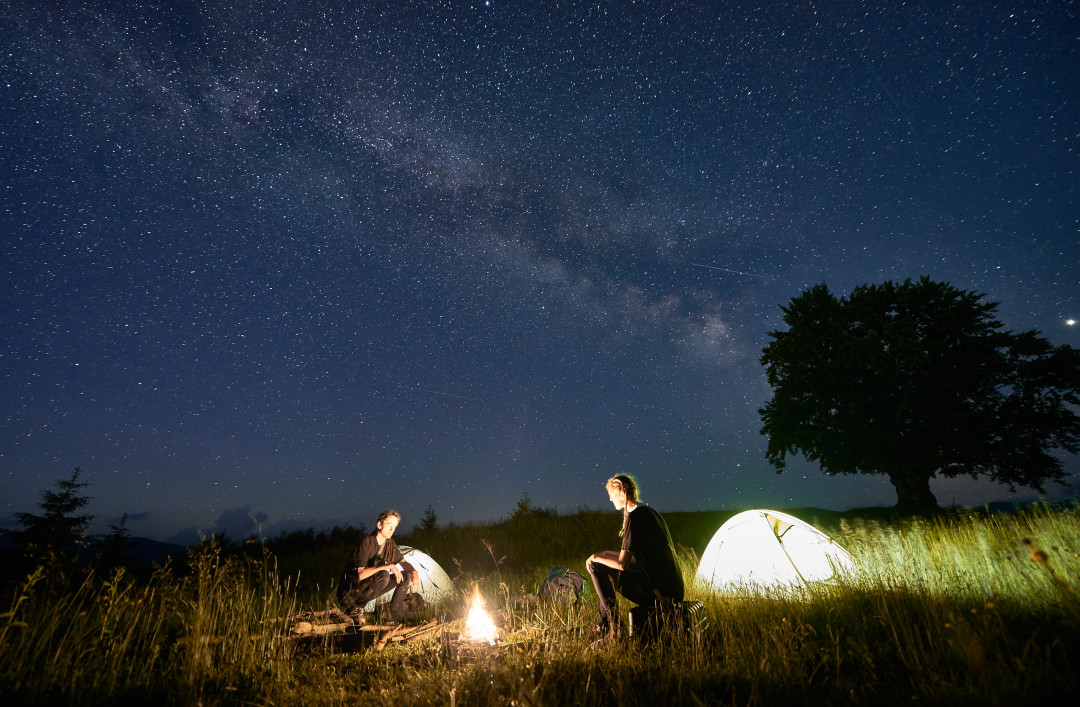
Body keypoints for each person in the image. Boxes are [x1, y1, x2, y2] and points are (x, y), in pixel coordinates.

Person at [585, 475, 684, 636]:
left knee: (596, 567)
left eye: (611, 493)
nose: (610, 498)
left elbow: (623, 564)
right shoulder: (649, 512)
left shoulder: (635, 518)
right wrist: (600, 554)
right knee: (601, 564)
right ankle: (602, 627)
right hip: (673, 591)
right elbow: (635, 560)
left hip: (659, 594)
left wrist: (595, 559)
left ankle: (616, 629)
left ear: (621, 492)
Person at [337, 509, 419, 624]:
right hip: (349, 594)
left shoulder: (390, 544)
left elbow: (404, 562)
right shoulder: (366, 542)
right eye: (389, 525)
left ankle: (392, 620)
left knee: (406, 576)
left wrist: (415, 573)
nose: (392, 529)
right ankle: (354, 608)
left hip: (368, 589)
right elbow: (360, 575)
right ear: (379, 525)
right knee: (384, 575)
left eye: (394, 526)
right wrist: (388, 566)